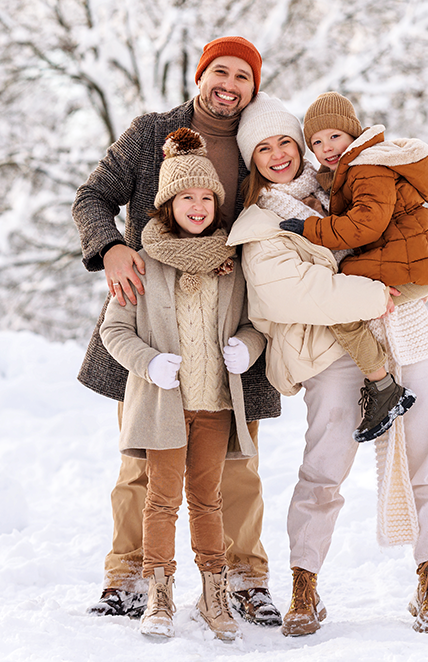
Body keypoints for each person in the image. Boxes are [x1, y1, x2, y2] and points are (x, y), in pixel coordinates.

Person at [72, 36, 283, 626]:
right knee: (143, 457)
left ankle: (243, 578)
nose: (230, 84)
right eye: (220, 71)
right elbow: (92, 196)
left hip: (231, 320)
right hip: (151, 317)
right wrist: (110, 247)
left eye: (243, 76)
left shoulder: (255, 147)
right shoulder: (149, 133)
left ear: (254, 88)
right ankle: (131, 577)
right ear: (199, 77)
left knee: (238, 463)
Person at [226, 93, 428, 636]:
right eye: (264, 148)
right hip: (332, 349)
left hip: (404, 332)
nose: (279, 154)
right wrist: (379, 292)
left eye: (287, 141)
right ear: (251, 159)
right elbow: (295, 294)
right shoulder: (262, 222)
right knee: (323, 468)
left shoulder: (342, 182)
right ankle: (304, 586)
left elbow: (401, 231)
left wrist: (412, 278)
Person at [101, 129, 265, 640]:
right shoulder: (142, 261)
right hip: (165, 408)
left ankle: (214, 595)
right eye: (186, 198)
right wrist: (148, 364)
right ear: (168, 205)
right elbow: (114, 330)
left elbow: (254, 324)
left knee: (208, 499)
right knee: (160, 500)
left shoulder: (231, 264)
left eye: (206, 198)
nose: (197, 207)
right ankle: (159, 593)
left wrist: (247, 347)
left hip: (214, 403)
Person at [279, 91, 428, 443]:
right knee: (345, 292)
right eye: (316, 141)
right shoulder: (354, 169)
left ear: (353, 134)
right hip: (414, 258)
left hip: (411, 261)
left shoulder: (366, 167)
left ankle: (383, 387)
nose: (327, 146)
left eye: (335, 136)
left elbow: (366, 225)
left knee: (340, 301)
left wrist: (309, 228)